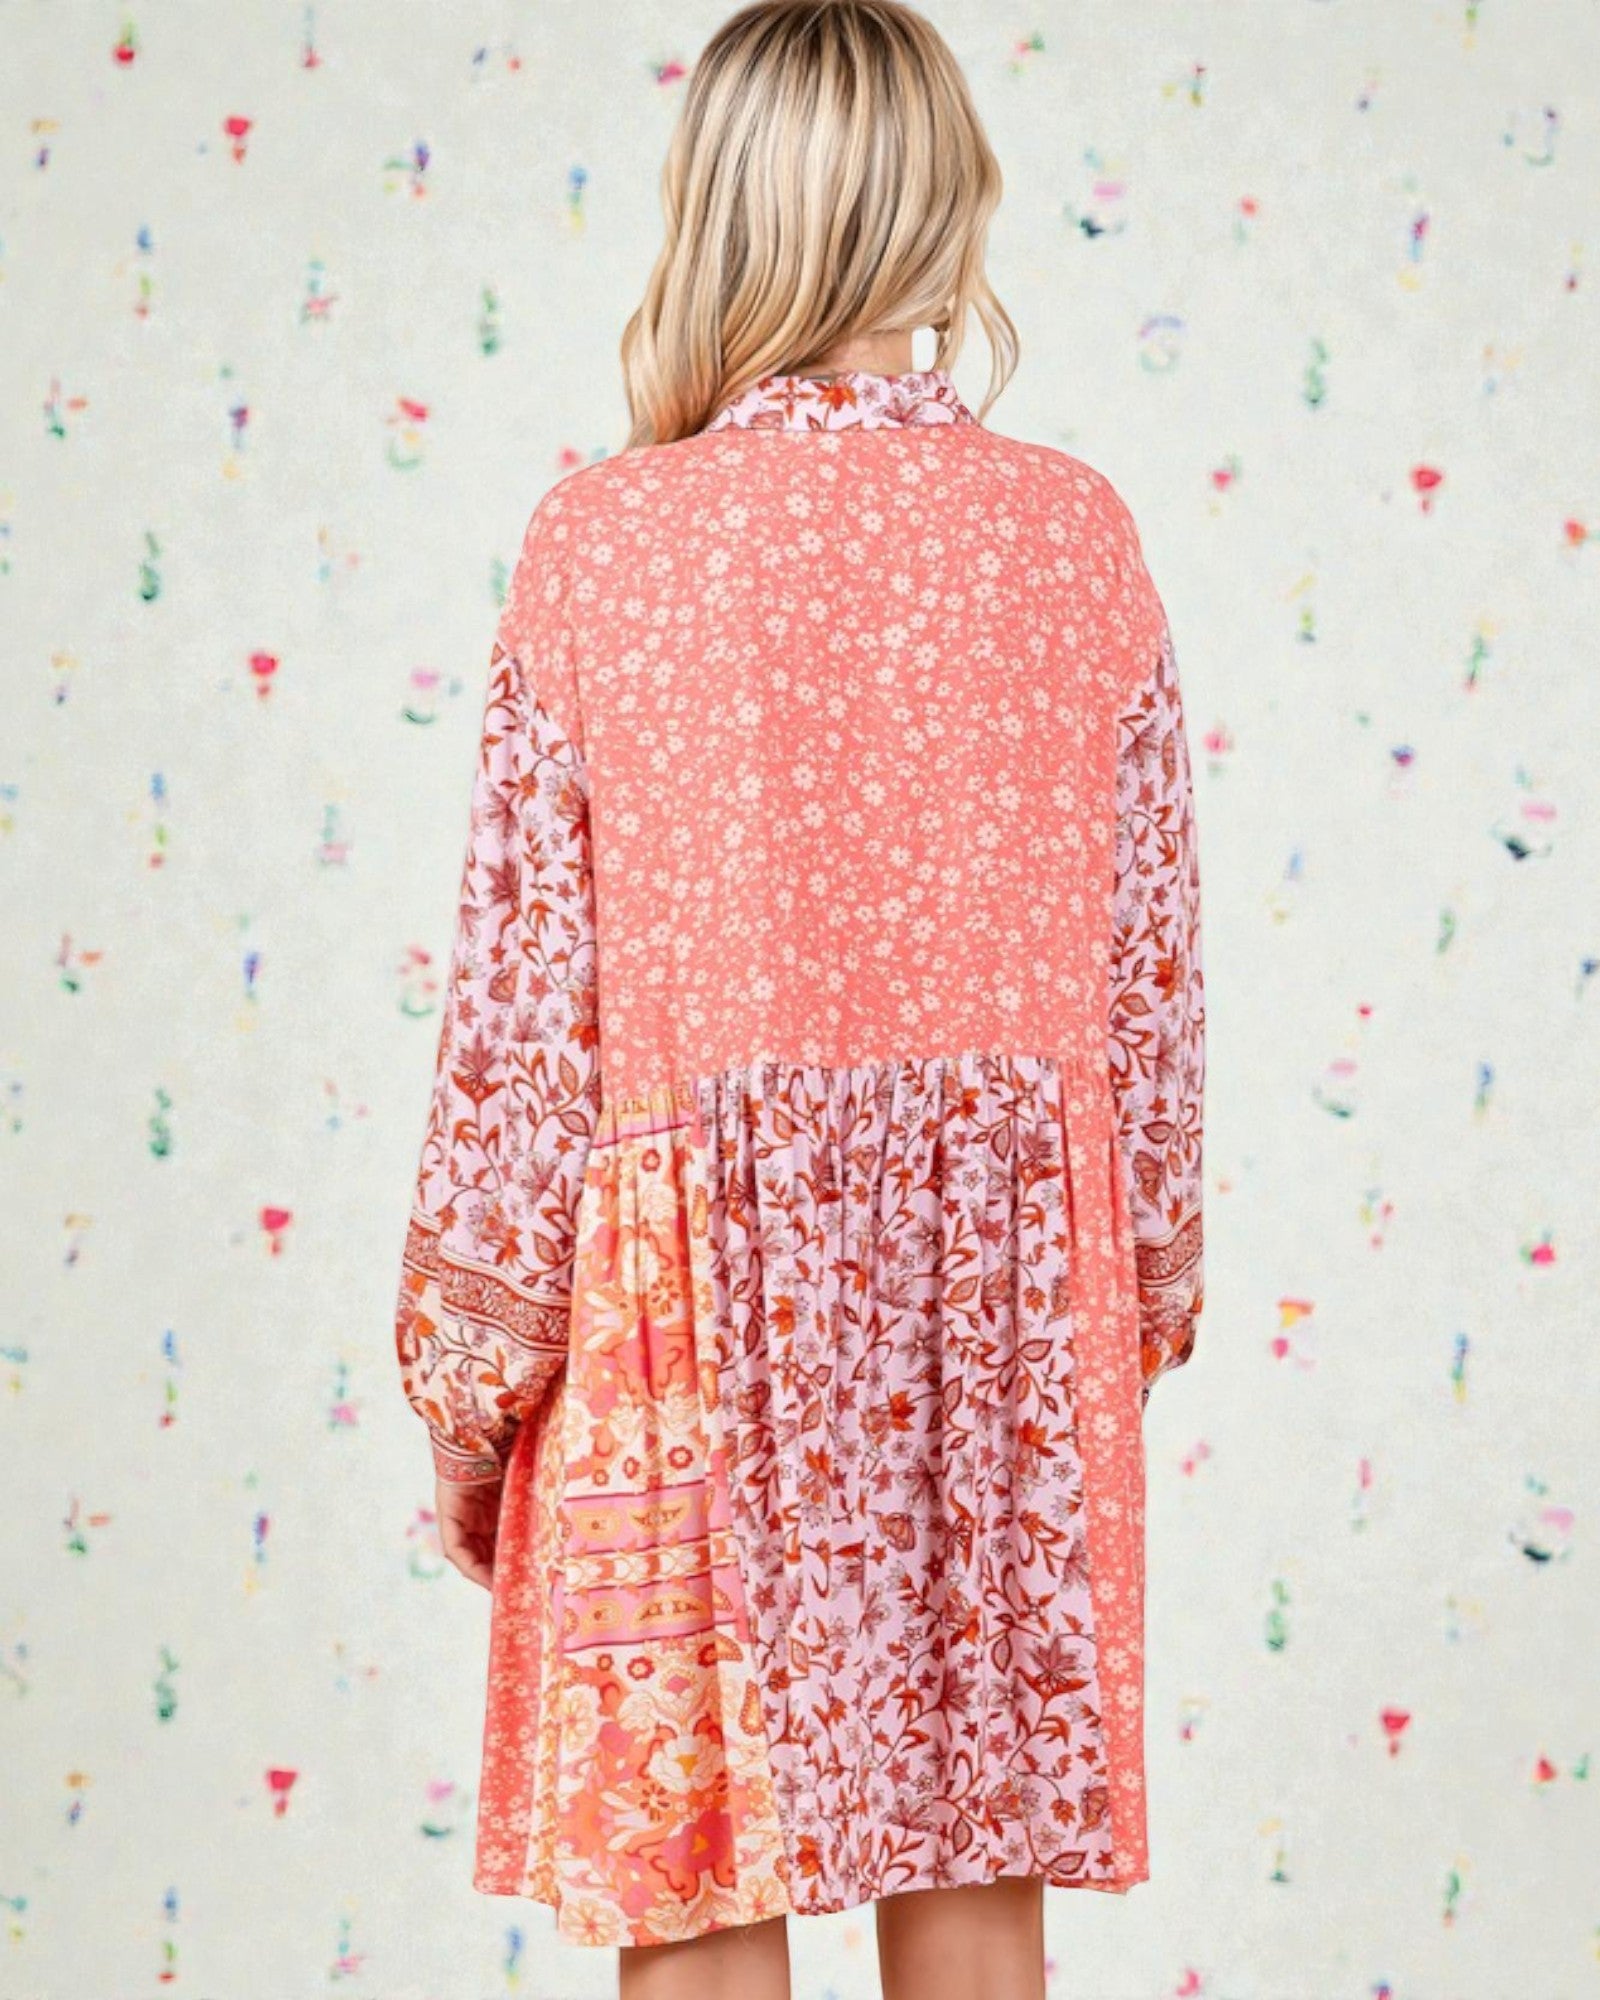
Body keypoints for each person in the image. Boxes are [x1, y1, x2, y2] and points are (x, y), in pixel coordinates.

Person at [392, 2, 1205, 1994]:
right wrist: (1137, 1289)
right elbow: (1151, 992)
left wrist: (469, 1375)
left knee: (692, 1882)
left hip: (673, 1322)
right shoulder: (1071, 533)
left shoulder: (602, 542)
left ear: (716, 213)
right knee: (969, 1869)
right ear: (945, 212)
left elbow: (520, 1020)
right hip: (990, 1310)